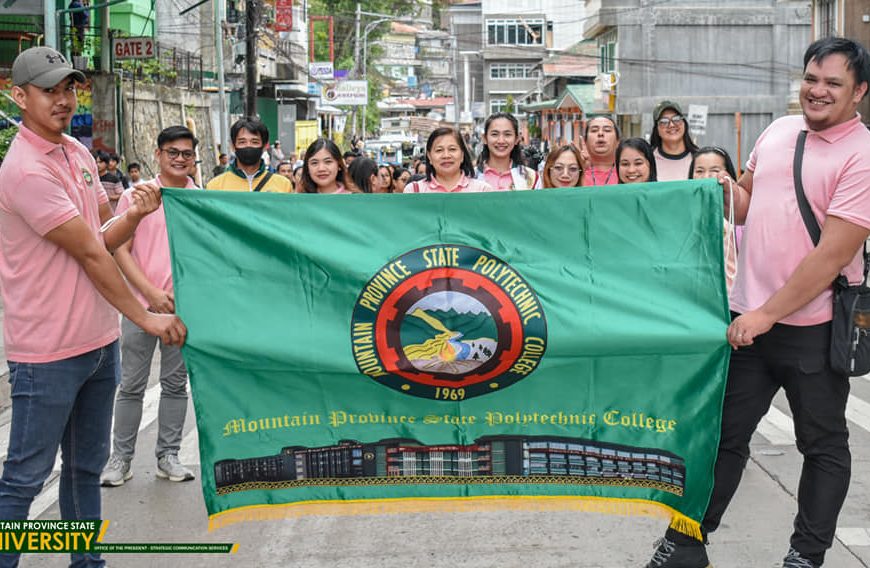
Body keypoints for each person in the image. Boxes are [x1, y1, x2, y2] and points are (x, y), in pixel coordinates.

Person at [645, 37, 870, 568]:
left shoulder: (862, 156)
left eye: (833, 84)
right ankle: (685, 543)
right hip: (746, 319)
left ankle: (805, 554)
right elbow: (747, 207)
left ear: (858, 92)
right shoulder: (777, 130)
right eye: (811, 78)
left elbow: (830, 256)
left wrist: (766, 314)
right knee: (718, 439)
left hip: (812, 329)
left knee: (822, 446)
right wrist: (720, 190)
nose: (817, 91)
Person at [0, 46, 186, 568]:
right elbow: (88, 253)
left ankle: (88, 562)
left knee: (84, 468)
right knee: (24, 477)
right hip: (47, 352)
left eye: (68, 88)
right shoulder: (25, 171)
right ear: (19, 97)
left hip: (98, 344)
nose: (62, 100)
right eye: (48, 90)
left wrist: (136, 215)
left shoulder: (77, 154)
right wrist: (146, 315)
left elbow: (106, 236)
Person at [100, 126, 200, 489]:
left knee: (176, 385)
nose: (179, 158)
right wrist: (150, 294)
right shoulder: (136, 197)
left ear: (194, 159)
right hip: (139, 306)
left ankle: (168, 456)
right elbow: (119, 249)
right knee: (131, 385)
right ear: (157, 155)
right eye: (172, 152)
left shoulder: (199, 200)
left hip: (183, 310)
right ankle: (121, 458)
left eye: (186, 153)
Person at [689, 146, 739, 292]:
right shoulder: (685, 212)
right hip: (697, 295)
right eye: (699, 171)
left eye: (715, 171)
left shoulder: (739, 216)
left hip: (732, 299)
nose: (706, 177)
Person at [207, 118, 292, 193]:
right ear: (233, 146)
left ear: (265, 146)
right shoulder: (215, 187)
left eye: (254, 142)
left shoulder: (283, 186)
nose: (248, 146)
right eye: (242, 142)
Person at [404, 127, 494, 193]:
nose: (446, 156)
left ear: (462, 155)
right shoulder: (413, 191)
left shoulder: (482, 191)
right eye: (439, 150)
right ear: (429, 157)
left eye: (452, 149)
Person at [476, 112, 538, 190]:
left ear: (517, 139)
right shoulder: (471, 177)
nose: (501, 141)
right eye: (494, 134)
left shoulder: (531, 178)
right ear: (484, 138)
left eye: (507, 134)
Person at [650, 100, 698, 181]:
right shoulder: (648, 160)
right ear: (656, 129)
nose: (671, 125)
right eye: (664, 121)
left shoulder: (698, 158)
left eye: (676, 119)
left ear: (684, 123)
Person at [583, 115, 621, 186]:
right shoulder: (575, 171)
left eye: (607, 130)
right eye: (594, 130)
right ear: (585, 141)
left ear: (618, 141)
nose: (600, 134)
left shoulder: (627, 171)